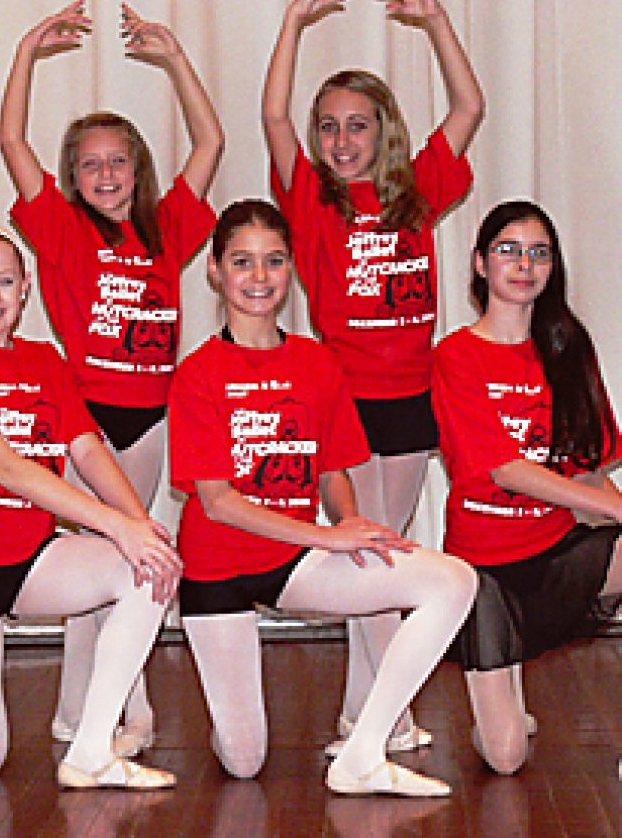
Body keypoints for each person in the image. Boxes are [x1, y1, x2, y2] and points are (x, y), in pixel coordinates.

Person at [168, 199, 477, 797]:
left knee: (452, 581)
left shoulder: (316, 361)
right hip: (218, 572)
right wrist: (328, 536)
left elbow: (335, 467)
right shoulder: (200, 372)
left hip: (291, 560)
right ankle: (229, 714)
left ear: (292, 271)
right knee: (244, 761)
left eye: (274, 261)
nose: (259, 278)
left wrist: (354, 520)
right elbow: (217, 502)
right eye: (243, 262)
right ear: (214, 270)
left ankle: (363, 752)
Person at [262, 0, 484, 754]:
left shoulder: (416, 190)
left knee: (380, 552)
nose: (341, 140)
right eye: (330, 126)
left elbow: (469, 105)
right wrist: (292, 22)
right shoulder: (312, 200)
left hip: (411, 397)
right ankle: (375, 716)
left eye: (357, 124)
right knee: (373, 553)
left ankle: (368, 712)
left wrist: (434, 21)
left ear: (381, 130)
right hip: (345, 400)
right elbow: (274, 120)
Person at [0, 0, 222, 755]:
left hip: (150, 418)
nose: (104, 174)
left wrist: (175, 59)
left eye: (117, 161)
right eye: (89, 164)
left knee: (134, 554)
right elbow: (10, 139)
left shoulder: (165, 229)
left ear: (137, 170)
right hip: (85, 422)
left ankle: (92, 709)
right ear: (73, 177)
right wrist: (29, 47)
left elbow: (212, 140)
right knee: (103, 561)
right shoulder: (63, 232)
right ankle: (109, 708)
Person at [0, 225, 182, 789]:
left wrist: (140, 526)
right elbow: (10, 469)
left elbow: (87, 448)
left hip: (32, 558)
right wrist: (116, 524)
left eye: (4, 282)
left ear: (25, 288)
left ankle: (92, 750)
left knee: (150, 565)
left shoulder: (45, 362)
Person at [431, 200, 621, 775]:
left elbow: (588, 467)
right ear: (481, 264)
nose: (524, 264)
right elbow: (506, 468)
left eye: (539, 252)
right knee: (506, 758)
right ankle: (498, 681)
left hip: (554, 557)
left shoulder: (568, 348)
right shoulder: (455, 356)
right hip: (485, 572)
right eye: (508, 250)